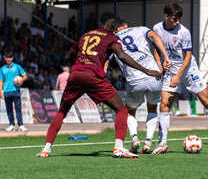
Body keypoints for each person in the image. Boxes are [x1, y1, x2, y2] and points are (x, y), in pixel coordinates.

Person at [36, 17, 162, 158]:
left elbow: (70, 52)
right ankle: (119, 147)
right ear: (115, 28)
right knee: (121, 110)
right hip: (93, 76)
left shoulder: (86, 35)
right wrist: (147, 70)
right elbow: (122, 56)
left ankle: (46, 149)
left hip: (76, 74)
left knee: (62, 111)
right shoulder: (111, 37)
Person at [151, 2, 208, 154]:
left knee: (206, 101)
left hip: (188, 67)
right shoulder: (157, 29)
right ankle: (162, 143)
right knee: (165, 104)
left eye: (179, 19)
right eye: (174, 19)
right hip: (171, 69)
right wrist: (160, 65)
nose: (177, 22)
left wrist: (178, 76)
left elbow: (188, 57)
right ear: (166, 17)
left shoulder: (184, 32)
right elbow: (155, 48)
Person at [105, 17, 171, 154]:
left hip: (134, 80)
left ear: (115, 29)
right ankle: (148, 143)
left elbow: (105, 61)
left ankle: (135, 139)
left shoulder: (112, 40)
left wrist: (102, 75)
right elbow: (155, 36)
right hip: (154, 76)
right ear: (125, 25)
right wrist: (165, 56)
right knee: (152, 108)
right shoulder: (141, 29)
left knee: (130, 111)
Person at [0, 50, 28, 132]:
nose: (8, 59)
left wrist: (21, 80)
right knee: (9, 110)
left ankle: (21, 125)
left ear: (12, 58)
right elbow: (1, 81)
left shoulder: (17, 67)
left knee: (18, 108)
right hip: (6, 91)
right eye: (7, 58)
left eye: (10, 57)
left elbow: (25, 76)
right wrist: (0, 91)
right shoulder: (2, 69)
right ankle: (11, 125)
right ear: (5, 58)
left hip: (16, 90)